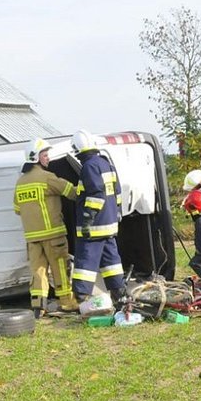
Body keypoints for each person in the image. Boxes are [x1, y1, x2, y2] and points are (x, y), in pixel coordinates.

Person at [13, 138, 79, 318]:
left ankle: (38, 307)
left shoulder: (20, 182)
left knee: (38, 271)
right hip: (53, 235)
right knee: (60, 268)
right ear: (36, 157)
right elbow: (72, 192)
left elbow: (17, 209)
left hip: (32, 237)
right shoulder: (47, 178)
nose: (48, 158)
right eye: (45, 154)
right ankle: (67, 303)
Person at [70, 129, 127, 306]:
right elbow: (117, 191)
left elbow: (96, 194)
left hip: (94, 226)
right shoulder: (105, 163)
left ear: (78, 149)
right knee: (111, 261)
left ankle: (82, 297)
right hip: (109, 224)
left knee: (86, 261)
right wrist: (116, 211)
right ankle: (119, 293)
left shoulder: (89, 166)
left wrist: (87, 218)